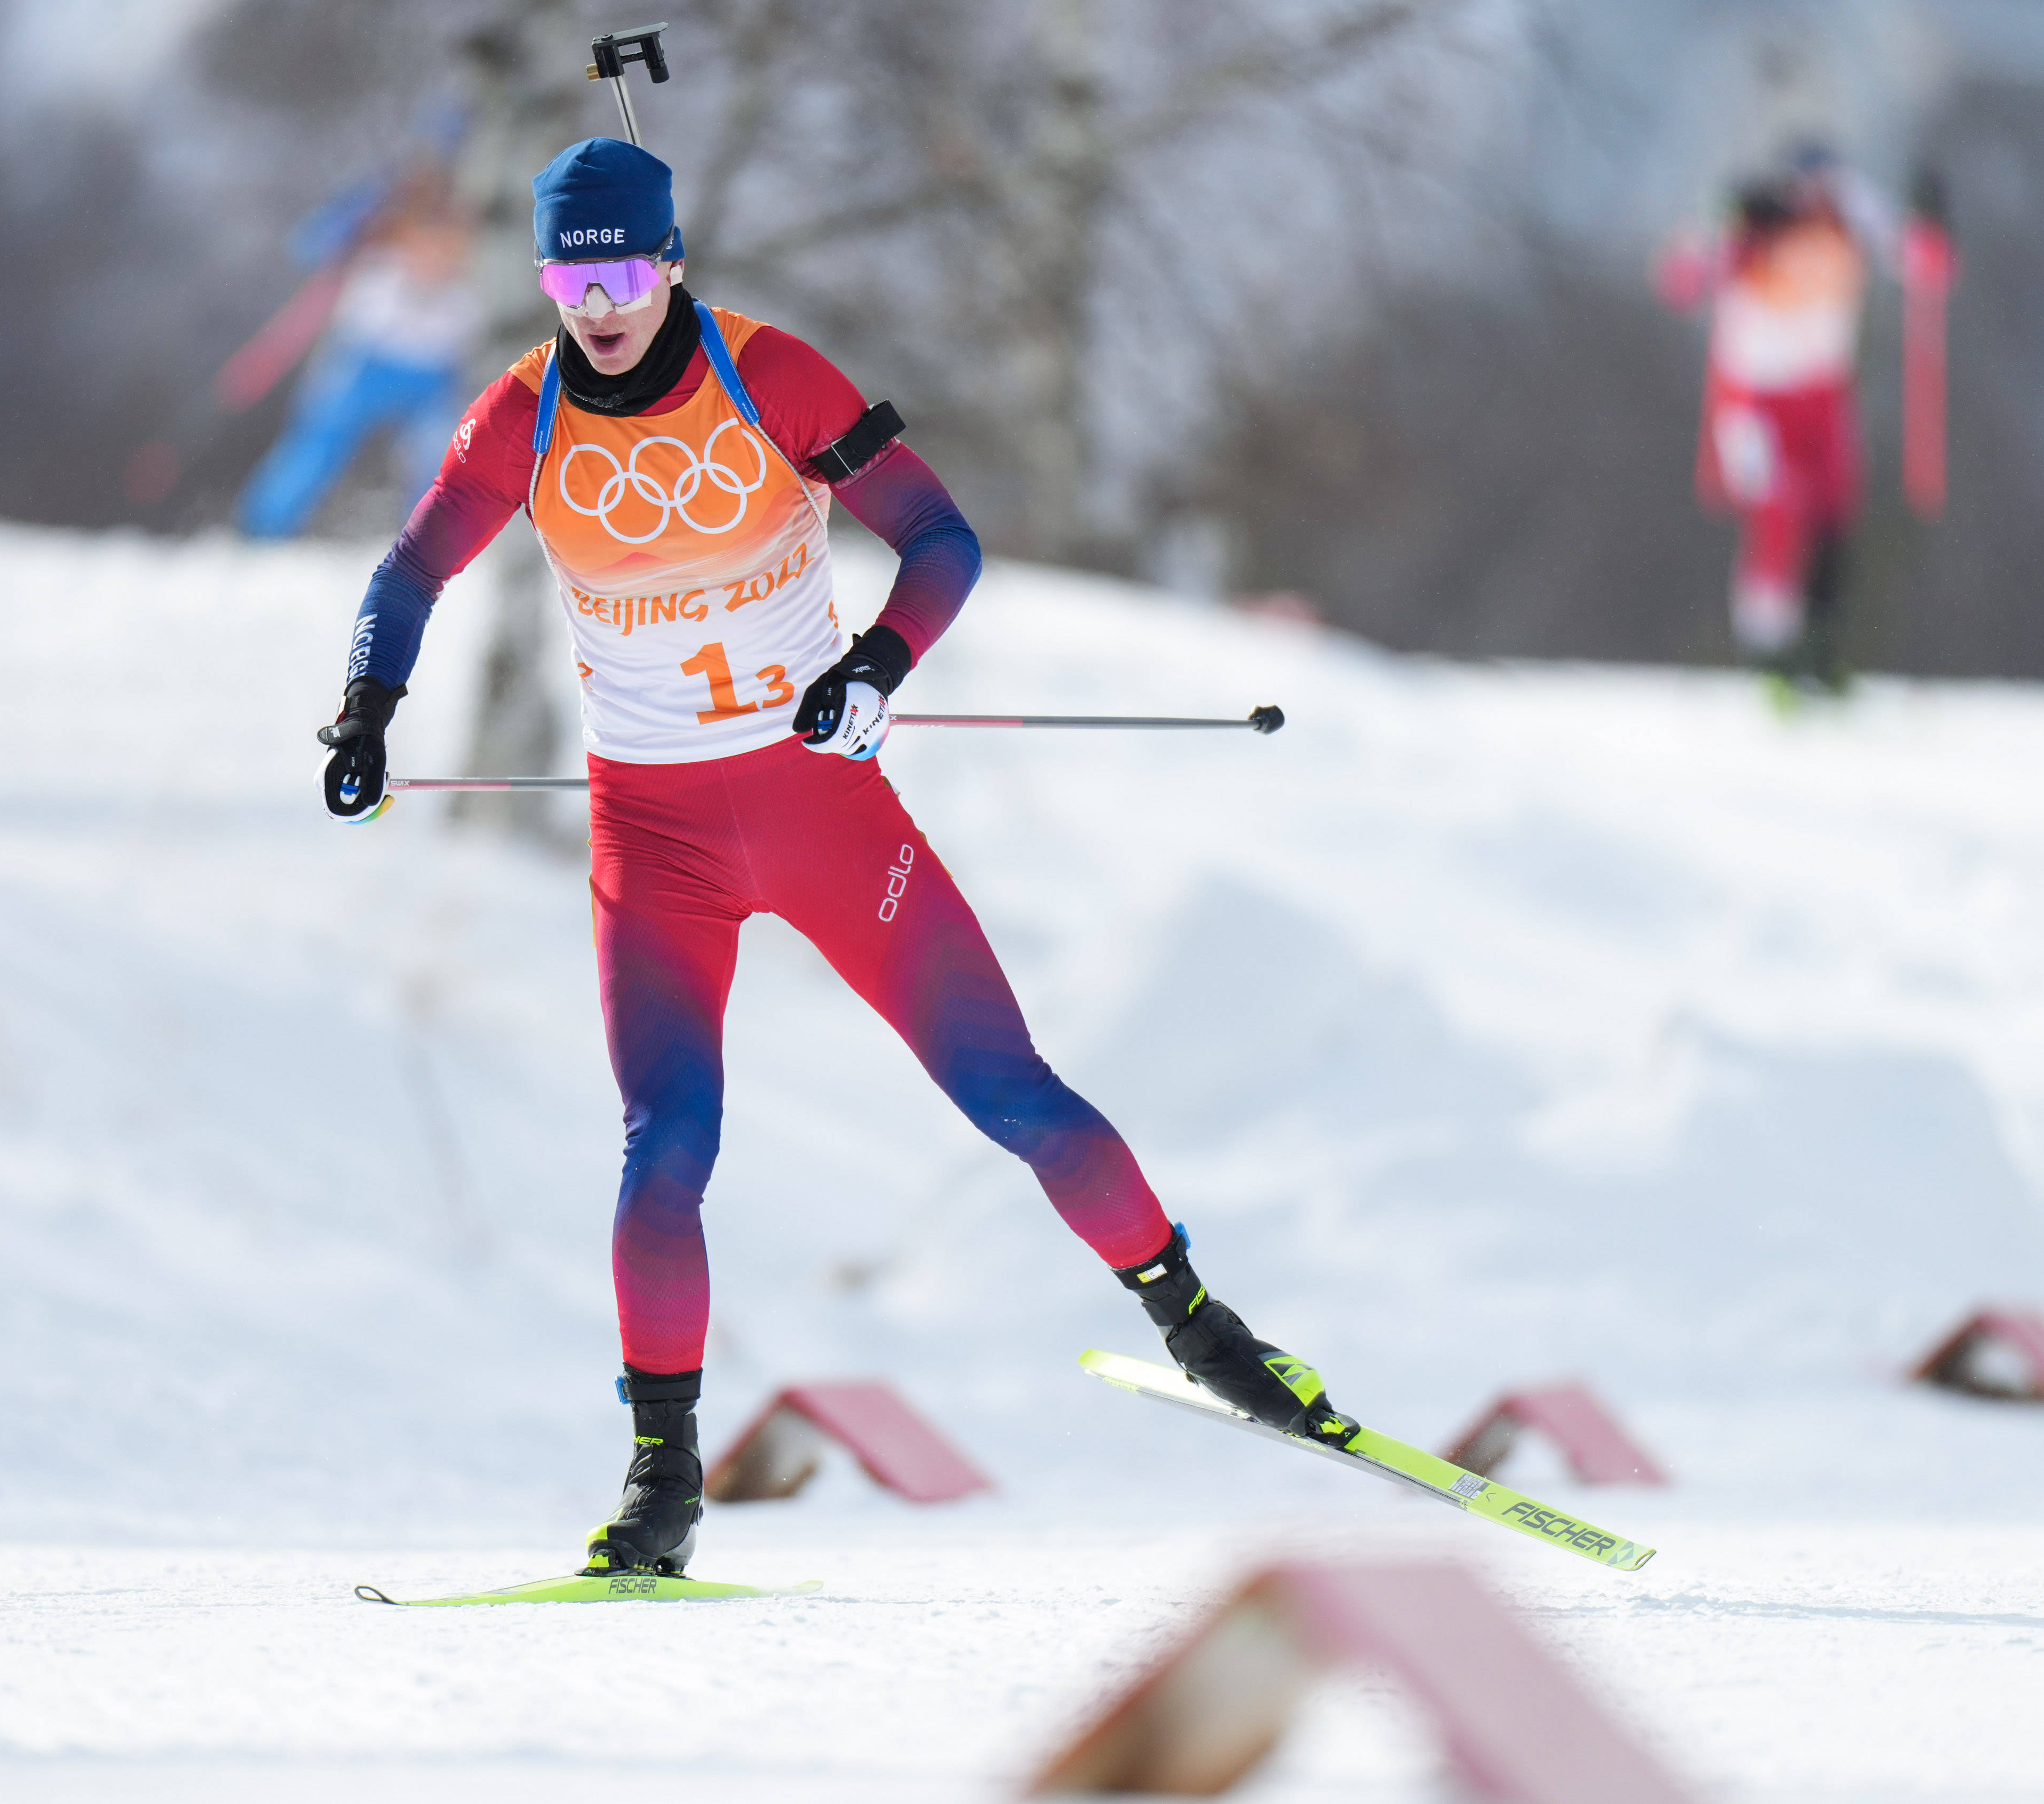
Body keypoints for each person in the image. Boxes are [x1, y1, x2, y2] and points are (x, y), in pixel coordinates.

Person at [312, 138, 1350, 1576]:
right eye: (569, 273)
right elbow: (410, 571)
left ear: (669, 260)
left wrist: (874, 665)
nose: (598, 301)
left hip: (821, 807)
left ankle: (1210, 1331)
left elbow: (942, 538)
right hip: (654, 835)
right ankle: (661, 1478)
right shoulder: (523, 415)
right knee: (665, 1146)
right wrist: (366, 713)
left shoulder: (765, 374)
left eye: (622, 268)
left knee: (1010, 1092)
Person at [1656, 143, 1899, 690]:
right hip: (1756, 401)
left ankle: (1820, 648)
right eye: (1806, 189)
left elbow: (1920, 260)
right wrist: (1717, 220)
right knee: (1778, 511)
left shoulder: (1848, 230)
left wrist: (1924, 216)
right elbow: (1680, 282)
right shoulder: (1756, 232)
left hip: (1822, 398)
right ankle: (1770, 653)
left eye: (1827, 188)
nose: (1816, 200)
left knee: (1833, 514)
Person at [235, 164, 485, 539]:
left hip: (434, 372)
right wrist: (359, 215)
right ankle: (263, 530)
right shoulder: (376, 256)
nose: (436, 254)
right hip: (365, 362)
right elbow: (310, 245)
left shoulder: (476, 262)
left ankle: (430, 539)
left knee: (442, 454)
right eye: (426, 240)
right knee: (318, 445)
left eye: (448, 242)